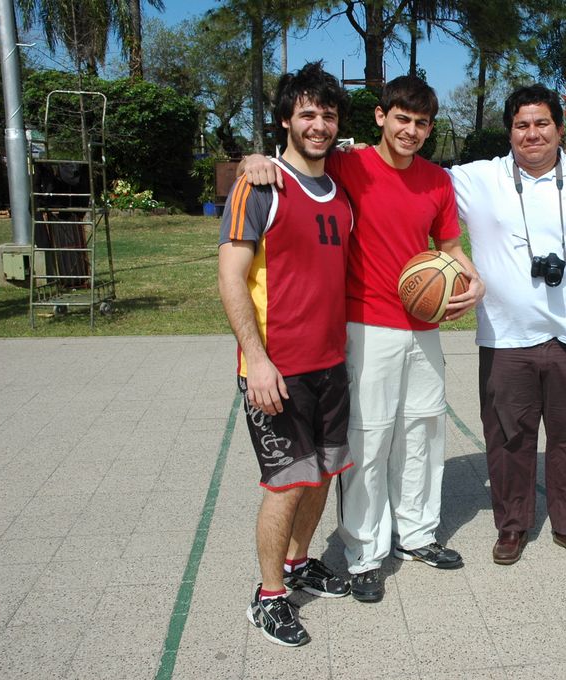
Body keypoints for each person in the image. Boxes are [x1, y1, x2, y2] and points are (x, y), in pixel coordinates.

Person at [239, 75, 484, 603]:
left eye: (421, 123)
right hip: (367, 324)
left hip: (424, 327)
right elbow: (293, 159)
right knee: (369, 440)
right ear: (381, 117)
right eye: (402, 119)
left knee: (422, 433)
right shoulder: (348, 165)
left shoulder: (437, 181)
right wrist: (251, 159)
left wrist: (474, 280)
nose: (411, 131)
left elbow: (448, 246)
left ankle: (416, 533)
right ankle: (365, 552)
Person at [447, 84, 566, 565]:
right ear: (509, 132)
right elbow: (408, 177)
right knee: (508, 436)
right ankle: (512, 526)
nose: (532, 133)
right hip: (505, 335)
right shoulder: (477, 178)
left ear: (560, 128)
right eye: (521, 125)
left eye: (542, 123)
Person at [218, 62, 353, 647]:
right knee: (287, 483)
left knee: (321, 475)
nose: (318, 124)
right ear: (285, 121)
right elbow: (230, 276)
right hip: (277, 369)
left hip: (331, 364)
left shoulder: (341, 192)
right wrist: (257, 359)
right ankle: (268, 597)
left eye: (328, 114)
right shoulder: (260, 186)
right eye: (307, 114)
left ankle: (298, 564)